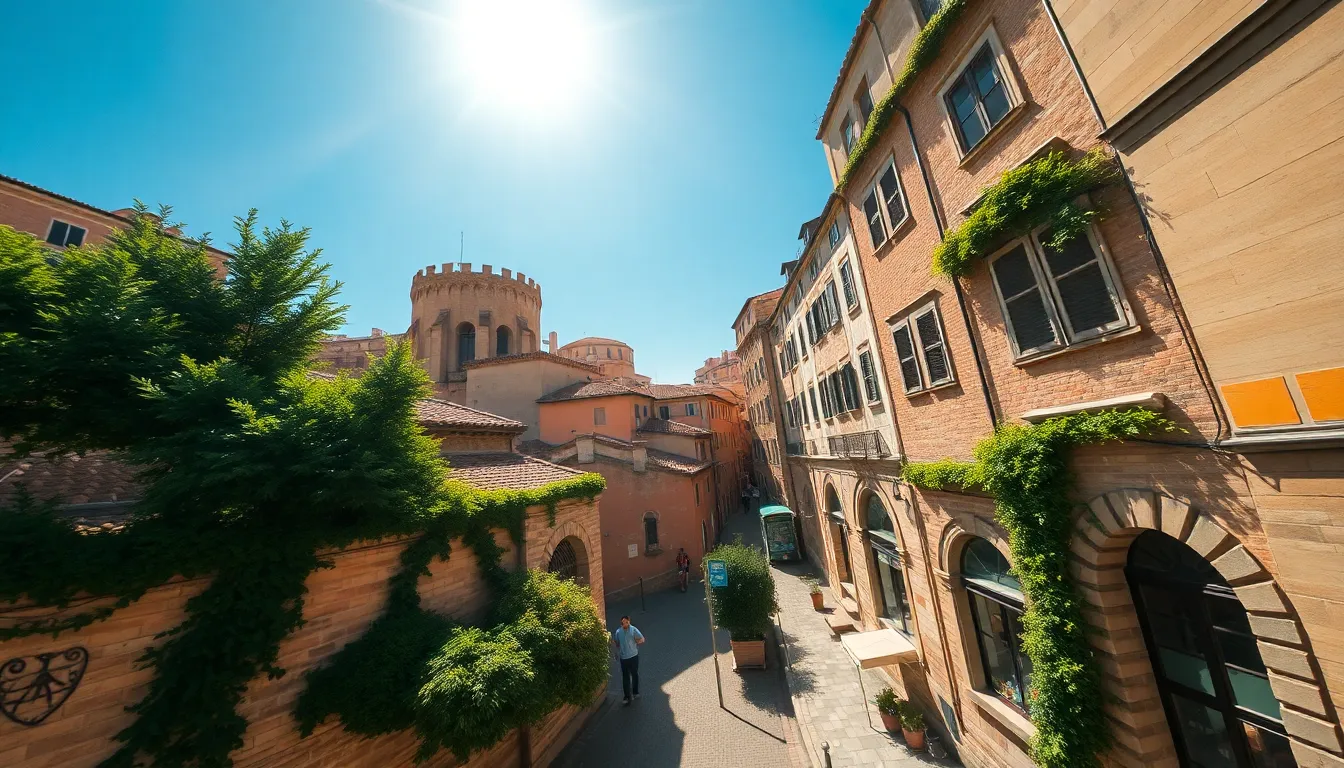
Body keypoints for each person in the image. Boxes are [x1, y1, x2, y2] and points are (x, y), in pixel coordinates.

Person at [611, 616, 645, 705]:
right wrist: (616, 652)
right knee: (625, 677)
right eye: (623, 623)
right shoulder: (618, 632)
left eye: (626, 622)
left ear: (629, 622)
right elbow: (616, 643)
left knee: (634, 674)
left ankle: (635, 692)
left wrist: (637, 642)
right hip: (624, 658)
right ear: (621, 623)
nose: (624, 624)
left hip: (633, 656)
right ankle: (626, 696)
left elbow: (642, 639)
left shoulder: (633, 630)